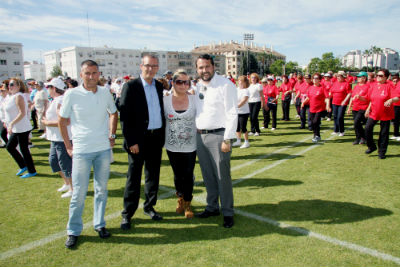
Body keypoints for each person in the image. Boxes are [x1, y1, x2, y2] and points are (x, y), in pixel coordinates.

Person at [59, 60, 118, 248]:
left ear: (99, 74)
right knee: (79, 193)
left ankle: (99, 224)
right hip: (82, 150)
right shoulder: (72, 94)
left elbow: (113, 113)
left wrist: (112, 134)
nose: (91, 77)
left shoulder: (104, 92)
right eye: (87, 73)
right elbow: (62, 120)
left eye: (94, 73)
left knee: (101, 190)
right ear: (81, 74)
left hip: (102, 149)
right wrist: (68, 146)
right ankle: (73, 230)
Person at [119, 54, 165, 230]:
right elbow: (125, 116)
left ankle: (149, 206)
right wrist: (131, 141)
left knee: (153, 176)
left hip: (156, 138)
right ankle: (127, 214)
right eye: (148, 66)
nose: (151, 69)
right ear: (141, 66)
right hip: (137, 141)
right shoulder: (130, 86)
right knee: (134, 177)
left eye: (154, 66)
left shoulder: (159, 86)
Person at [194, 54, 238, 228]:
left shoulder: (225, 84)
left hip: (219, 135)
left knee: (222, 176)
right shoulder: (196, 86)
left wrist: (227, 138)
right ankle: (212, 207)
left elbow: (232, 112)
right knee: (208, 175)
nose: (204, 70)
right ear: (197, 69)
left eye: (207, 67)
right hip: (200, 135)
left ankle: (228, 212)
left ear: (213, 66)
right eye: (201, 68)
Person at [164, 70, 196, 219]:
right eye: (179, 82)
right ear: (173, 83)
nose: (183, 85)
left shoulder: (195, 99)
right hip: (172, 146)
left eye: (186, 82)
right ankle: (180, 198)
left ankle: (188, 202)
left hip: (191, 146)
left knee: (188, 174)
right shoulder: (165, 100)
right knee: (178, 175)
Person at [41, 77, 73, 198]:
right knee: (54, 161)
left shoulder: (60, 100)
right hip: (55, 137)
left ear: (54, 88)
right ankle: (67, 183)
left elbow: (66, 121)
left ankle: (73, 189)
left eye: (48, 87)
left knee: (65, 164)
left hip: (62, 138)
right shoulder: (55, 100)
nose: (47, 89)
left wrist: (48, 123)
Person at [361, 69, 399, 159]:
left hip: (385, 113)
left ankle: (381, 152)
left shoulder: (389, 86)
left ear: (386, 77)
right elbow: (371, 99)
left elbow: (397, 97)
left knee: (384, 133)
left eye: (381, 75)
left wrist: (391, 100)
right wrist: (368, 109)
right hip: (374, 112)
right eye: (377, 75)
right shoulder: (373, 86)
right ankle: (371, 146)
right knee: (367, 129)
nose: (378, 77)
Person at [4, 78, 37, 178]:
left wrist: (11, 124)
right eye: (9, 84)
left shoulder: (19, 96)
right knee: (10, 147)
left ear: (18, 86)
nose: (10, 86)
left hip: (22, 128)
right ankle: (23, 166)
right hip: (16, 128)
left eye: (12, 84)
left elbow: (22, 113)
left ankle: (32, 171)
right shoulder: (12, 96)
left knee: (24, 150)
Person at [302, 73, 330, 142]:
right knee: (313, 122)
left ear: (319, 80)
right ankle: (316, 135)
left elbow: (327, 98)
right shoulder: (310, 88)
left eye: (316, 78)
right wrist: (303, 102)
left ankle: (317, 135)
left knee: (315, 121)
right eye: (314, 78)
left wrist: (327, 105)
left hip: (320, 108)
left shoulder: (322, 88)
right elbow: (308, 97)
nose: (314, 79)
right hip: (312, 108)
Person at [346, 71, 370, 145]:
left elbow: (368, 99)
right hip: (355, 107)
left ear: (364, 78)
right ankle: (358, 138)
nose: (358, 78)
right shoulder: (356, 86)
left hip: (363, 107)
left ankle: (363, 137)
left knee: (357, 122)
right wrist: (349, 107)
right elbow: (352, 97)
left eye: (360, 77)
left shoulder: (368, 87)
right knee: (356, 124)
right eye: (358, 77)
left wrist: (360, 97)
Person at [330, 71, 351, 136]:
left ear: (343, 77)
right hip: (334, 102)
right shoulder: (335, 83)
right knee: (335, 116)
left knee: (340, 117)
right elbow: (331, 92)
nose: (338, 77)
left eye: (339, 76)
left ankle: (341, 130)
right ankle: (336, 130)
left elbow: (349, 93)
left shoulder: (346, 84)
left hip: (342, 103)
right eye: (337, 76)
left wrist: (345, 101)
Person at [232, 75, 250, 148]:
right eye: (239, 81)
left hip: (244, 112)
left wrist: (237, 106)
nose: (240, 83)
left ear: (245, 83)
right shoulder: (236, 89)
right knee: (237, 127)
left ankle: (246, 142)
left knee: (243, 127)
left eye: (241, 82)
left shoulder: (246, 91)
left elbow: (244, 100)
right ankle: (238, 140)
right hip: (237, 112)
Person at [390, 73, 400, 141]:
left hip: (398, 105)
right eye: (394, 81)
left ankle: (396, 134)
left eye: (396, 81)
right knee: (395, 120)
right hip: (393, 105)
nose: (395, 82)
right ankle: (395, 134)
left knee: (397, 120)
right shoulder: (391, 86)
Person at [0, 82, 9, 147]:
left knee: (3, 134)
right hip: (3, 119)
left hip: (7, 120)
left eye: (2, 91)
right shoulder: (3, 98)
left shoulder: (7, 99)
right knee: (3, 134)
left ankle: (8, 145)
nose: (1, 92)